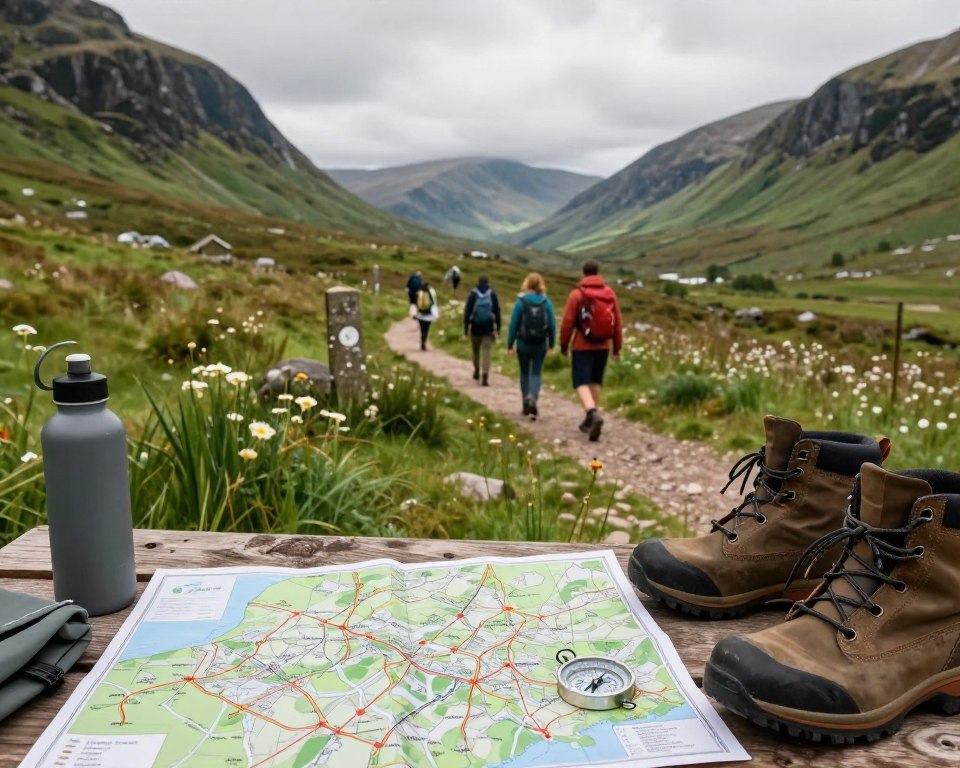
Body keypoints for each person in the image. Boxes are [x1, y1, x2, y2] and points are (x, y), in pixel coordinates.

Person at [559, 259, 622, 441]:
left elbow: (568, 323)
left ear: (583, 272)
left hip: (582, 344)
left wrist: (564, 344)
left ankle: (592, 414)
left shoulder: (577, 294)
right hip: (603, 345)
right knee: (595, 380)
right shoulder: (610, 293)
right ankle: (590, 419)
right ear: (598, 272)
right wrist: (616, 347)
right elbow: (617, 321)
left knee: (580, 381)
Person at [506, 273, 556, 420]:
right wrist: (551, 344)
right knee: (536, 372)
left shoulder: (521, 302)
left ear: (527, 284)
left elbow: (513, 325)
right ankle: (533, 398)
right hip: (540, 344)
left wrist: (510, 345)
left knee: (524, 373)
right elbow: (552, 325)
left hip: (523, 343)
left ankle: (525, 403)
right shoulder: (546, 302)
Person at [463, 275, 501, 386]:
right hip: (488, 327)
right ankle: (485, 374)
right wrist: (498, 327)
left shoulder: (473, 294)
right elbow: (497, 312)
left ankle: (476, 370)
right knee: (486, 351)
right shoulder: (492, 294)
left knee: (475, 350)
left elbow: (467, 311)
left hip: (475, 327)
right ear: (488, 282)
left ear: (478, 282)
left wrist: (466, 327)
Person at [414, 280, 439, 350]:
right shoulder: (430, 293)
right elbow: (433, 304)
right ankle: (424, 342)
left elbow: (416, 304)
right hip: (428, 316)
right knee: (426, 330)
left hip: (420, 315)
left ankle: (422, 342)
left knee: (422, 330)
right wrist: (436, 315)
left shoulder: (419, 293)